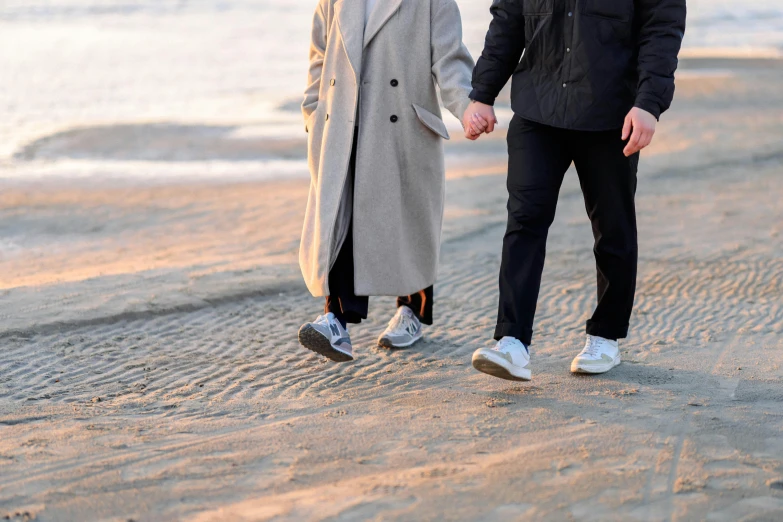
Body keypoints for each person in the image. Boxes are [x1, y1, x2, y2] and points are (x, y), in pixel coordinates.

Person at [463, 0, 686, 380]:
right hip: (537, 109)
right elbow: (507, 21)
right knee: (524, 220)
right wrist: (482, 93)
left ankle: (605, 336)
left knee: (612, 228)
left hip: (609, 115)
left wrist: (648, 104)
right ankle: (512, 342)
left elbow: (661, 29)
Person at [298, 0, 475, 361]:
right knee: (341, 221)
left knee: (409, 221)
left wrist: (467, 106)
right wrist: (313, 110)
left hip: (401, 123)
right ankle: (336, 319)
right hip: (342, 123)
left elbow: (450, 57)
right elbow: (319, 52)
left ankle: (411, 310)